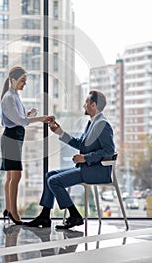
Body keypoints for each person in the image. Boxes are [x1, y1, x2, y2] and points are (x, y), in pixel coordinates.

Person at [24, 89, 115, 229]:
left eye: (86, 102)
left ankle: (74, 215)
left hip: (97, 171)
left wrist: (86, 158)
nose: (84, 105)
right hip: (87, 168)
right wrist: (60, 132)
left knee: (54, 181)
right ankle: (45, 216)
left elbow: (109, 150)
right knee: (50, 175)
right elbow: (80, 143)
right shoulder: (92, 123)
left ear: (94, 105)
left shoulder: (103, 125)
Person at [0, 66, 49, 225]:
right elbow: (19, 121)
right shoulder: (9, 97)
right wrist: (41, 118)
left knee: (10, 177)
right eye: (22, 81)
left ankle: (8, 209)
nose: (24, 84)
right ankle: (14, 213)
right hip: (12, 138)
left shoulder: (14, 96)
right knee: (16, 176)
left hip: (14, 138)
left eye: (25, 81)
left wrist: (29, 115)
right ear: (13, 80)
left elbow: (19, 118)